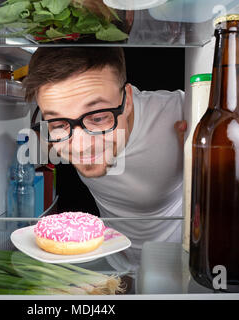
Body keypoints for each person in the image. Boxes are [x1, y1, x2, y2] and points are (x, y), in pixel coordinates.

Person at [24, 47, 186, 268]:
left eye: (98, 118)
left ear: (127, 100)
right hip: (115, 265)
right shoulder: (50, 134)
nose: (80, 148)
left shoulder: (181, 113)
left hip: (177, 269)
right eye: (59, 123)